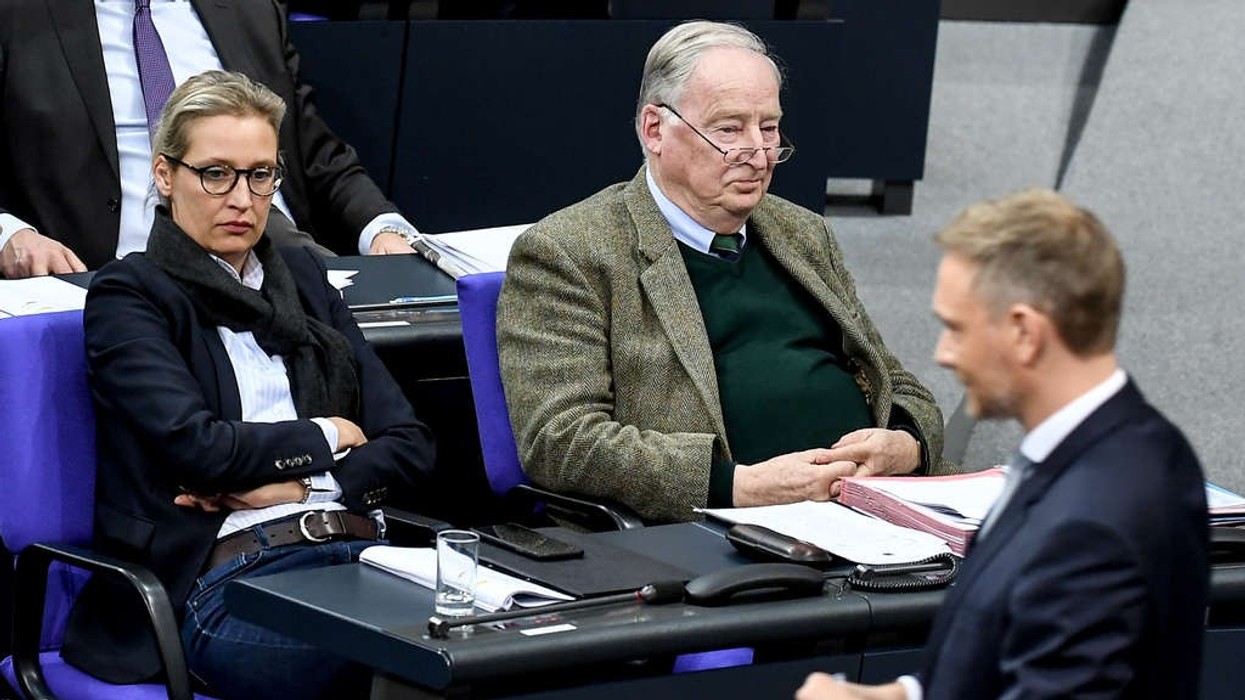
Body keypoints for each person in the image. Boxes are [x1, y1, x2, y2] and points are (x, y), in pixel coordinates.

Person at [61, 70, 435, 699]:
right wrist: (328, 433)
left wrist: (305, 482)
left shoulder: (307, 282)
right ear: (164, 175)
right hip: (226, 584)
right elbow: (199, 448)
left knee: (507, 640)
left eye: (261, 175)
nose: (242, 198)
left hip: (363, 557)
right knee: (404, 661)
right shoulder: (131, 295)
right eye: (216, 174)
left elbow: (412, 441)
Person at [496, 21, 952, 524]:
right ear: (655, 130)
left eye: (770, 127)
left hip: (879, 505)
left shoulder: (802, 232)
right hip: (731, 532)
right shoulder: (571, 252)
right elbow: (561, 440)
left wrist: (905, 447)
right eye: (729, 129)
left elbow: (897, 384)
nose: (758, 153)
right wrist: (740, 486)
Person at [796, 189, 1209, 700]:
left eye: (956, 329)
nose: (943, 354)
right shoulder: (1122, 447)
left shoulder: (1093, 524)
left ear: (1024, 333)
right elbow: (1002, 652)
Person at [0, 0, 419, 279]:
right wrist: (10, 236)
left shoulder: (248, 9)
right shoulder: (18, 15)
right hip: (116, 281)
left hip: (278, 269)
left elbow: (316, 154)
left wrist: (383, 229)